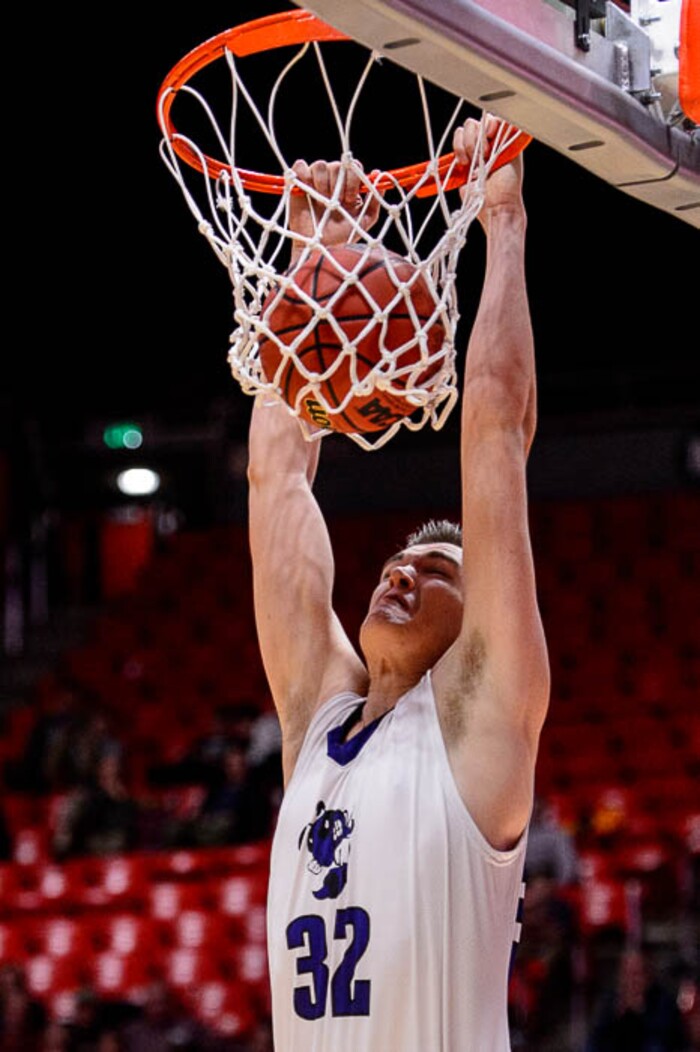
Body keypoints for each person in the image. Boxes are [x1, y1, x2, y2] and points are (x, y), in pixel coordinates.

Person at [247, 116, 550, 1051]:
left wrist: (501, 219)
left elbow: (495, 428)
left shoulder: (479, 727)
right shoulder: (317, 723)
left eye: (437, 570)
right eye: (400, 559)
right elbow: (279, 480)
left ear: (474, 636)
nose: (402, 571)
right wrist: (317, 260)